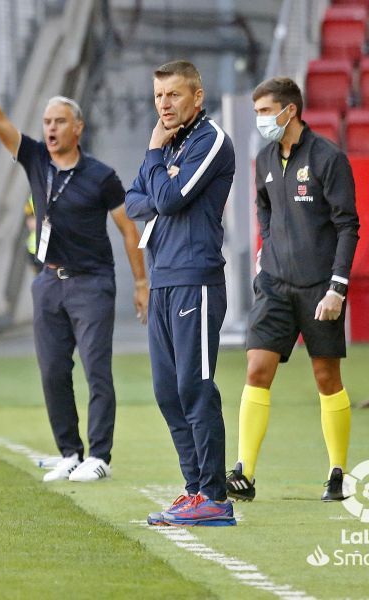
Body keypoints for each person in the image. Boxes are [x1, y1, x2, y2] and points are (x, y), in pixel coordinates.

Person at [0, 50, 148, 483]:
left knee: (96, 369)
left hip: (92, 284)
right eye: (47, 121)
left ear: (78, 128)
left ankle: (99, 455)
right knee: (52, 370)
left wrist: (140, 281)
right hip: (48, 282)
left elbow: (127, 229)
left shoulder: (101, 176)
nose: (50, 128)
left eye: (59, 121)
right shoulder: (35, 160)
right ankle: (69, 450)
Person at [226, 77, 359, 503]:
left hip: (321, 288)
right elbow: (264, 207)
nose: (261, 120)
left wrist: (337, 287)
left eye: (266, 111)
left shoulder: (328, 158)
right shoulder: (264, 158)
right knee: (256, 370)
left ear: (291, 111)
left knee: (326, 378)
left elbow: (347, 226)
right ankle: (244, 472)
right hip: (275, 288)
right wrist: (266, 250)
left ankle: (337, 471)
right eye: (258, 112)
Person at [125, 60, 236, 526]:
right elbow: (133, 201)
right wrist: (161, 178)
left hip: (196, 278)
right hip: (164, 279)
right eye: (158, 97)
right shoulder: (173, 147)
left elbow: (167, 200)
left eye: (173, 95)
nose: (164, 106)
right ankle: (194, 491)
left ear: (197, 95)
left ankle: (214, 495)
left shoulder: (211, 141)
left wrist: (155, 158)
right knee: (167, 392)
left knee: (195, 387)